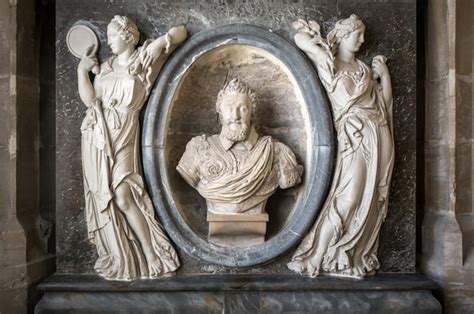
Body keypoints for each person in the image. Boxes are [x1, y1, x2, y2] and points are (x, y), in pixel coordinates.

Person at [77, 15, 187, 280]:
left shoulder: (144, 60)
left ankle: (151, 254)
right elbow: (91, 100)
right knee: (110, 198)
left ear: (126, 35)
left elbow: (182, 31)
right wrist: (81, 71)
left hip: (125, 131)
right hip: (97, 136)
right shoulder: (104, 67)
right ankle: (128, 256)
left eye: (112, 36)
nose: (108, 41)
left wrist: (161, 41)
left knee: (124, 194)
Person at [287, 15, 395, 278]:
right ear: (344, 35)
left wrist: (385, 77)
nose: (362, 40)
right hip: (352, 140)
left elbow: (383, 104)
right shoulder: (329, 61)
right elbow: (298, 38)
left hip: (377, 136)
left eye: (362, 35)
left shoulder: (363, 69)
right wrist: (315, 48)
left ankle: (352, 255)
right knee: (346, 198)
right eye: (357, 35)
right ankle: (318, 254)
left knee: (366, 201)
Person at [176, 78, 303, 232]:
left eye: (242, 108)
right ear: (220, 111)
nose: (235, 116)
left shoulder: (275, 152)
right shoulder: (199, 149)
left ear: (252, 112)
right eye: (229, 108)